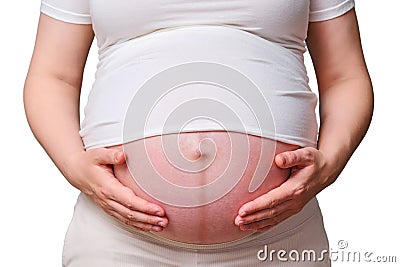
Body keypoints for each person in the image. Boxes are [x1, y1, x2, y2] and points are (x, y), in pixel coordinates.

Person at [24, 0, 373, 266]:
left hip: (281, 237)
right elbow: (53, 75)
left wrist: (330, 162)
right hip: (118, 241)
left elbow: (345, 75)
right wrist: (74, 166)